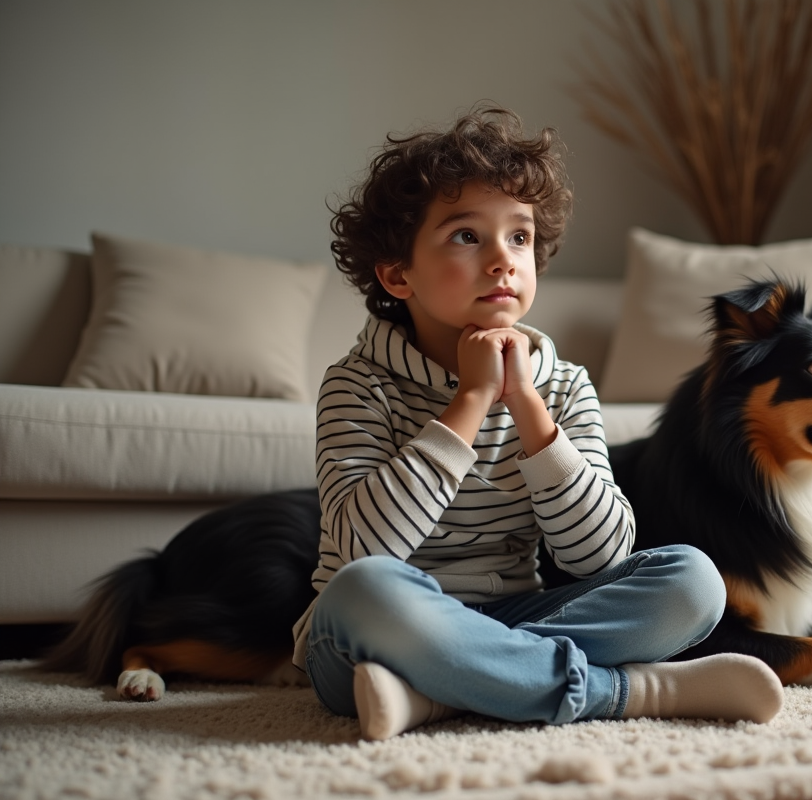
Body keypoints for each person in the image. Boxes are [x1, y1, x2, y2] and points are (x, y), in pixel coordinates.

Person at [291, 106, 784, 740]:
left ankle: (440, 691)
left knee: (693, 580)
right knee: (365, 590)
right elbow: (366, 550)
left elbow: (598, 557)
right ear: (397, 274)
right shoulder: (357, 384)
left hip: (516, 613)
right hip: (370, 633)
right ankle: (628, 691)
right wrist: (470, 401)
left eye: (518, 237)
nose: (502, 259)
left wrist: (528, 408)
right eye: (466, 236)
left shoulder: (565, 385)